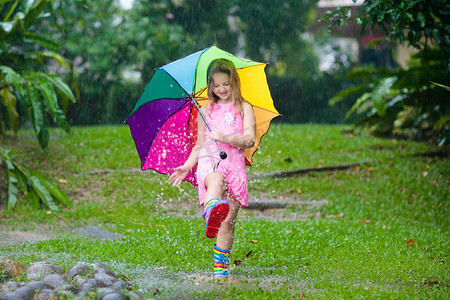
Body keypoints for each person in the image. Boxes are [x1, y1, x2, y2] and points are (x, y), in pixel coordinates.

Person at [168, 58, 256, 278]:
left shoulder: (244, 107)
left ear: (233, 81)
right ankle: (211, 208)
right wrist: (187, 166)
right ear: (210, 86)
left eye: (225, 84)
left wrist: (225, 137)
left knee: (227, 223)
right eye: (215, 85)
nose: (221, 89)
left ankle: (220, 269)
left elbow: (250, 139)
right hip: (210, 160)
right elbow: (199, 145)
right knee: (215, 179)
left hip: (234, 166)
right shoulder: (205, 111)